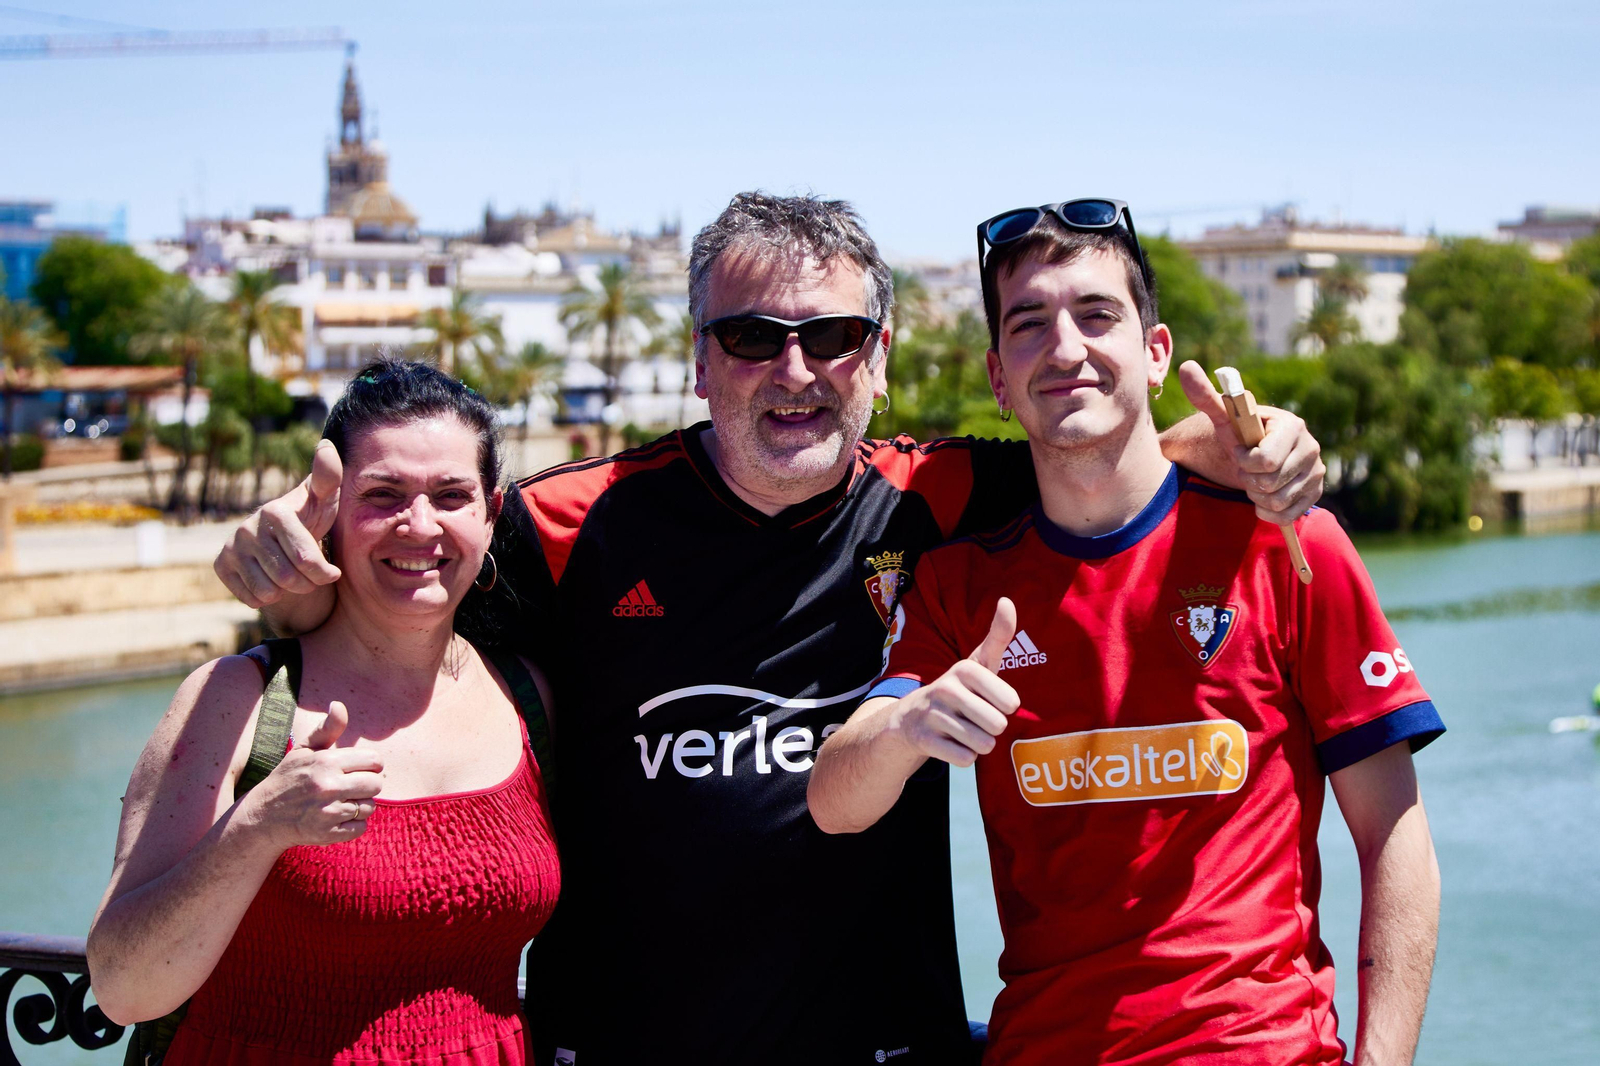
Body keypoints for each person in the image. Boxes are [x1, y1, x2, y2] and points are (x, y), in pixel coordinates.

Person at [212, 193, 1326, 1065]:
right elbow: (384, 596)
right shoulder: (569, 521)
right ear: (699, 359)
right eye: (751, 337)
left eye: (831, 335)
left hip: (887, 1048)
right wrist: (287, 574)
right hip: (618, 1051)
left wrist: (1257, 441)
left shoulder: (934, 497)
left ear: (879, 360)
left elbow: (1096, 449)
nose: (794, 371)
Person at [808, 199, 1443, 1066]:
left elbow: (1394, 835)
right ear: (999, 378)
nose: (1065, 348)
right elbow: (835, 803)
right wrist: (913, 727)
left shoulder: (1288, 543)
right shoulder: (962, 586)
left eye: (1096, 315)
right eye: (1029, 325)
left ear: (1155, 350)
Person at [89, 361, 559, 1065]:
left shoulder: (529, 697)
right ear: (328, 514)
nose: (420, 525)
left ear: (492, 513)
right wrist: (258, 828)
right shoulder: (238, 700)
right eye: (384, 494)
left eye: (451, 495)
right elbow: (124, 990)